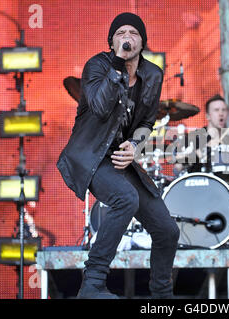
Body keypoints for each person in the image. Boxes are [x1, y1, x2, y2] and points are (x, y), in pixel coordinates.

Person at [57, 12, 180, 299]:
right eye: (121, 33)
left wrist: (135, 146)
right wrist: (117, 66)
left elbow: (147, 121)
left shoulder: (153, 75)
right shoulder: (97, 66)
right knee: (125, 199)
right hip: (89, 156)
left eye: (134, 33)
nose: (127, 37)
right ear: (112, 41)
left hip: (120, 159)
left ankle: (162, 296)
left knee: (167, 231)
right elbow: (99, 108)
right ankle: (92, 285)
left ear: (143, 41)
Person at [173, 94, 229, 176]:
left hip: (223, 185)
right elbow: (177, 169)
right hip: (196, 184)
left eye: (224, 110)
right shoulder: (193, 138)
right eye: (216, 110)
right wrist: (194, 155)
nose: (221, 113)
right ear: (208, 116)